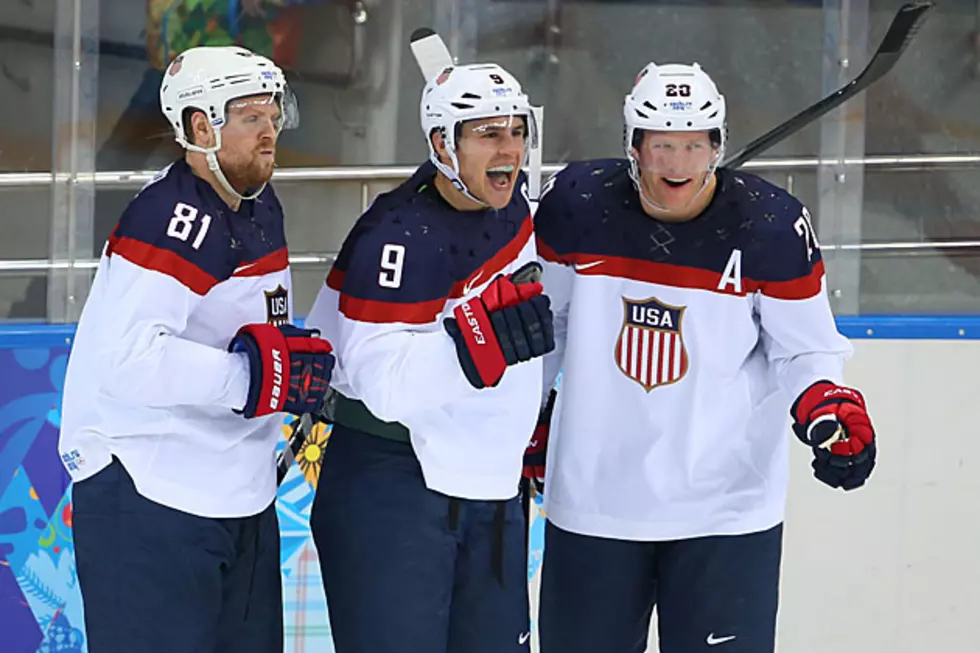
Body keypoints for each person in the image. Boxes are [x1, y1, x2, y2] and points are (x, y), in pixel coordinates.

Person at [527, 61, 878, 653]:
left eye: (694, 145)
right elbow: (547, 325)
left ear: (717, 146)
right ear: (632, 146)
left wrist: (825, 399)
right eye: (662, 145)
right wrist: (525, 416)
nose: (678, 163)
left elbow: (806, 348)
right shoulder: (577, 204)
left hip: (727, 512)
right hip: (594, 504)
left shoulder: (770, 225)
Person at [58, 45, 334, 653]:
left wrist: (287, 362)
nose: (270, 132)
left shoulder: (260, 205)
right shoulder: (170, 218)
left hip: (237, 494)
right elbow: (127, 359)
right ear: (199, 125)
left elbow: (259, 335)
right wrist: (251, 378)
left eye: (273, 113)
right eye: (250, 117)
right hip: (149, 495)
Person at [303, 62, 554, 653]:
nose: (510, 149)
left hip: (487, 490)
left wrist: (530, 415)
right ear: (443, 143)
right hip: (393, 490)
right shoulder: (398, 234)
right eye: (489, 134)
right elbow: (379, 383)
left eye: (517, 131)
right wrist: (471, 349)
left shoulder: (512, 207)